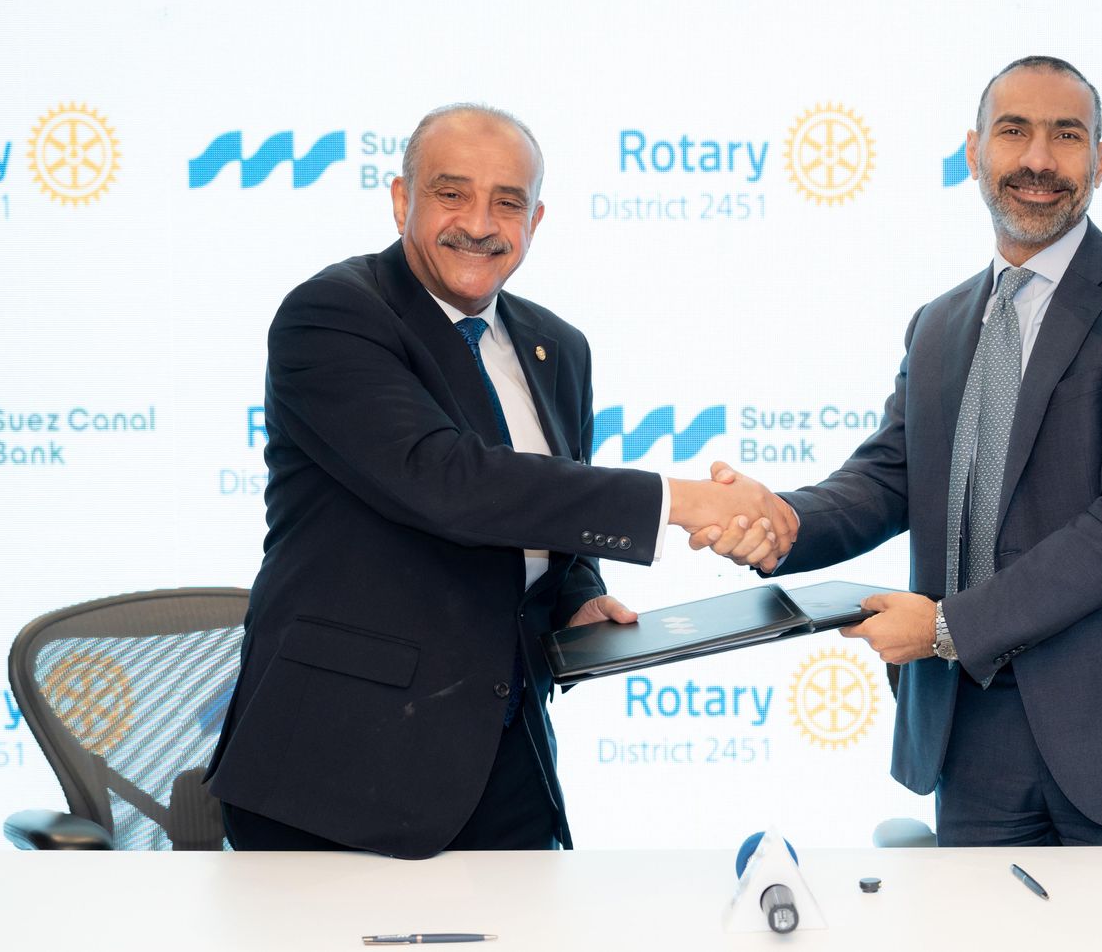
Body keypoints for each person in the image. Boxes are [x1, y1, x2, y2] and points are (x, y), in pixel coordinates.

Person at [700, 57, 1102, 846]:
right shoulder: (938, 324)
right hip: (971, 732)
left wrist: (948, 627)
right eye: (1014, 131)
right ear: (974, 152)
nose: (1039, 159)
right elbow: (888, 479)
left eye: (1066, 136)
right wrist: (780, 523)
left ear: (1100, 159)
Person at [207, 103, 793, 859]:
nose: (479, 224)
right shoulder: (334, 314)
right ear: (401, 199)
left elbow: (551, 515)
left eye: (508, 202)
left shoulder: (559, 346)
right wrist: (679, 500)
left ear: (535, 220)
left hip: (504, 758)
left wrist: (577, 600)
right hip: (336, 770)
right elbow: (447, 481)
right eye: (451, 193)